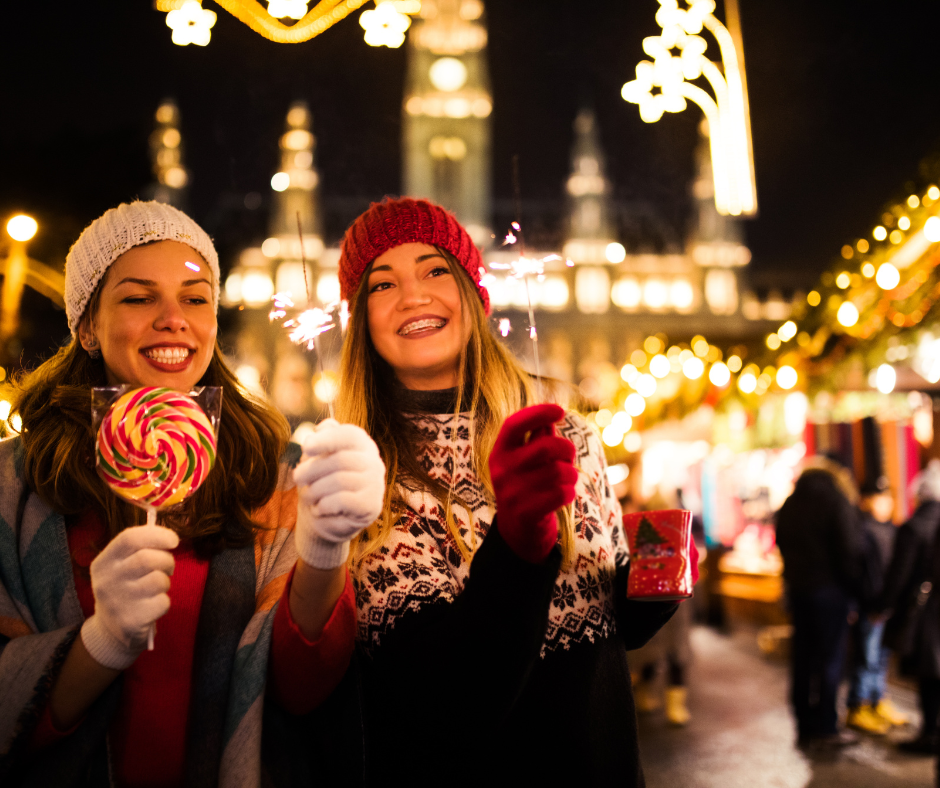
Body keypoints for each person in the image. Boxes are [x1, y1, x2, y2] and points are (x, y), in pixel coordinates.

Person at [0, 201, 380, 785]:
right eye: (138, 297)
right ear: (86, 327)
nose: (174, 318)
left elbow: (302, 689)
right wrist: (100, 643)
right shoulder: (14, 491)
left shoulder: (269, 480)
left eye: (196, 297)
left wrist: (325, 551)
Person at [333, 196, 684, 786]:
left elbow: (602, 630)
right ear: (360, 320)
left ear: (474, 292)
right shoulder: (361, 472)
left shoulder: (568, 432)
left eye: (435, 270)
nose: (414, 295)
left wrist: (654, 578)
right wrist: (517, 545)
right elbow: (441, 707)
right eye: (381, 284)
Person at [775, 455, 861, 748]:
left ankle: (804, 723)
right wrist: (853, 588)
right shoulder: (836, 499)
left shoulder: (790, 502)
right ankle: (825, 727)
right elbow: (848, 548)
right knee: (829, 659)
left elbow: (780, 543)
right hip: (830, 591)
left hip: (799, 589)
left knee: (803, 657)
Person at [876, 459, 940, 753]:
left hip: (925, 610)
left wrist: (883, 606)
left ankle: (930, 732)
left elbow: (898, 575)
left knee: (929, 674)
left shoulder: (914, 527)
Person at [846, 475, 910, 734]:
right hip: (869, 605)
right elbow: (858, 572)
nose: (885, 503)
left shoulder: (893, 530)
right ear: (865, 501)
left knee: (881, 656)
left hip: (888, 603)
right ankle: (857, 706)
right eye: (878, 497)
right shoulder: (860, 530)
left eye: (887, 497)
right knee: (866, 656)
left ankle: (877, 700)